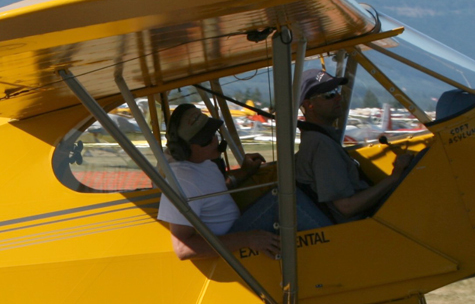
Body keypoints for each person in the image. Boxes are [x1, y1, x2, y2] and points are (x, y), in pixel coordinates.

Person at [156, 103, 281, 261]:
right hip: (232, 239)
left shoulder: (204, 162)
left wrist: (245, 172)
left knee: (286, 189)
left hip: (237, 230)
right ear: (185, 149)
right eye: (206, 140)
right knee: (289, 198)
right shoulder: (182, 181)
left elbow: (212, 193)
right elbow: (183, 248)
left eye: (213, 133)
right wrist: (248, 239)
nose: (215, 141)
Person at [295, 69, 415, 222]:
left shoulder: (320, 139)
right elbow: (346, 207)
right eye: (329, 94)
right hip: (360, 225)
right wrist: (395, 176)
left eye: (337, 91)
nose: (338, 97)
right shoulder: (321, 144)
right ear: (309, 104)